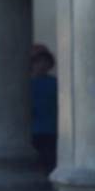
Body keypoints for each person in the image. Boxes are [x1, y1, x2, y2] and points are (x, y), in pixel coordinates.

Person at [29, 44, 58, 172]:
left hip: (51, 132)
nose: (42, 64)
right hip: (31, 133)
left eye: (45, 61)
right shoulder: (23, 84)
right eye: (38, 61)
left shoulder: (55, 83)